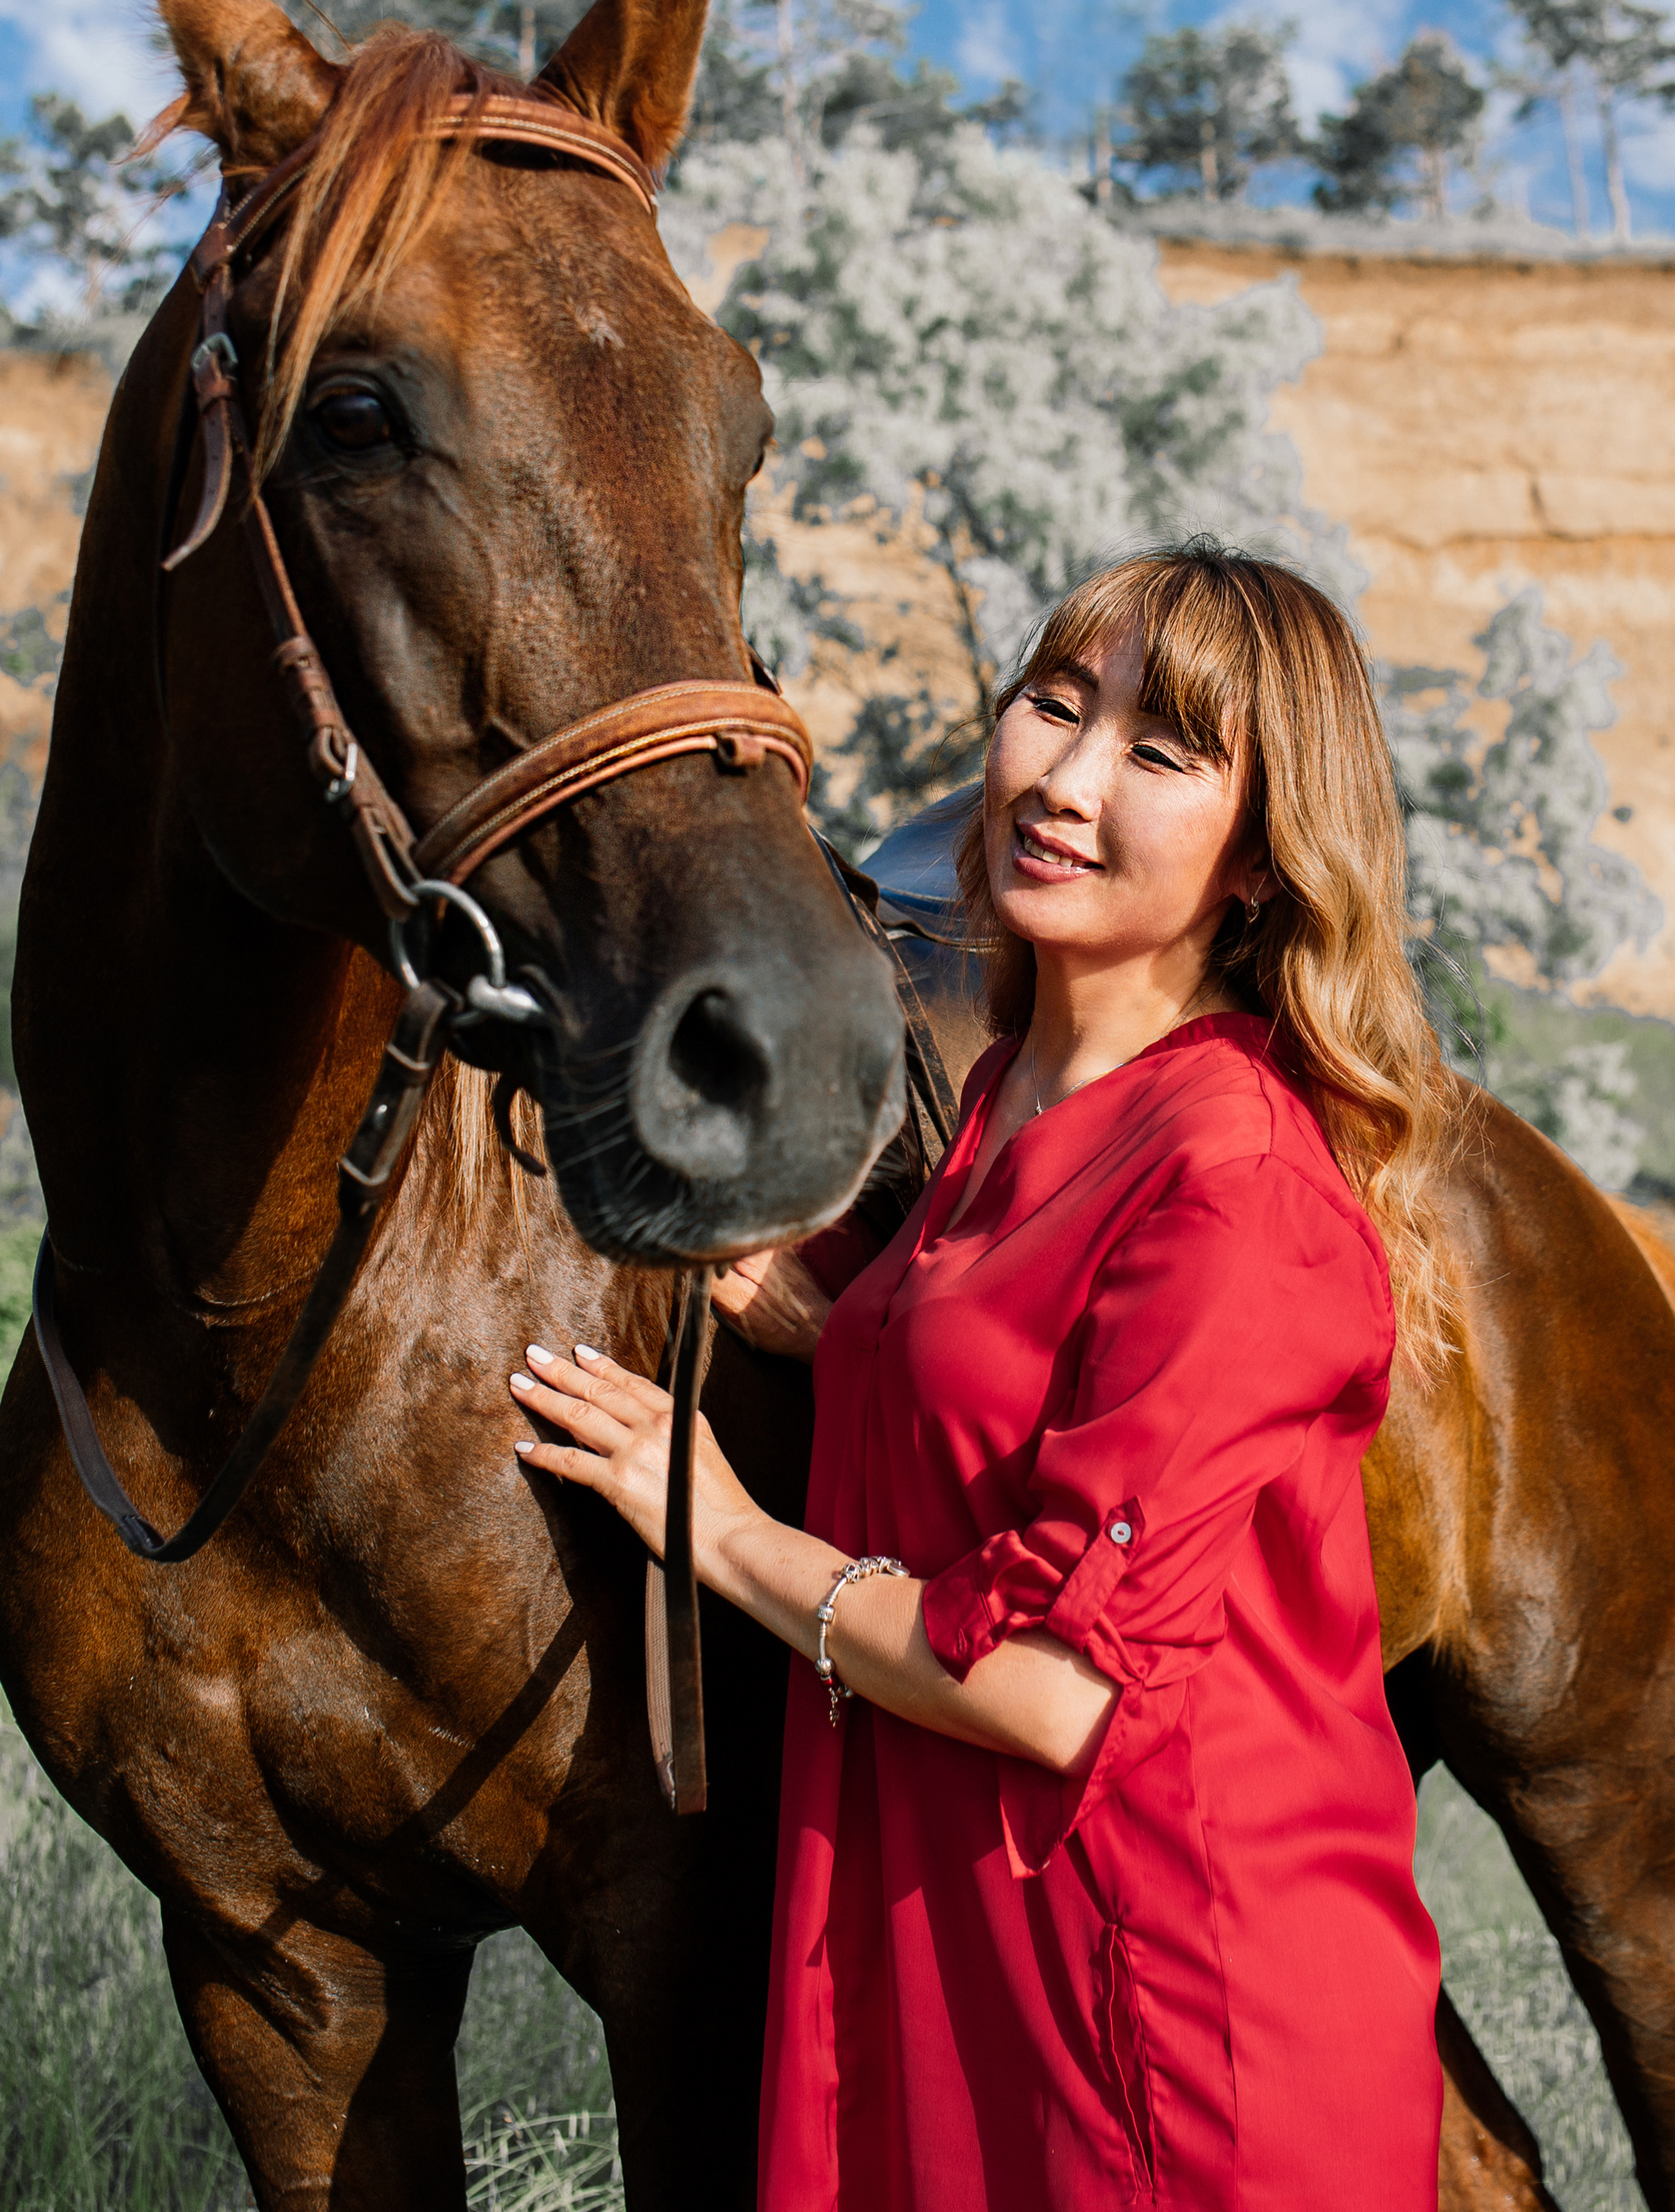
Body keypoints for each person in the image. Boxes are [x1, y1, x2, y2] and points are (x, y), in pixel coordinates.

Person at [507, 540, 1451, 2207]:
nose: (1065, 781)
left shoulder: (1236, 1183)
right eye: (1054, 706)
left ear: (1258, 864)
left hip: (1160, 2013)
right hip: (973, 1948)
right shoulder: (1019, 1080)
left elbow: (1046, 1682)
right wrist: (849, 1329)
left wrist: (715, 1526)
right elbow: (1014, 1379)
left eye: (1159, 756)